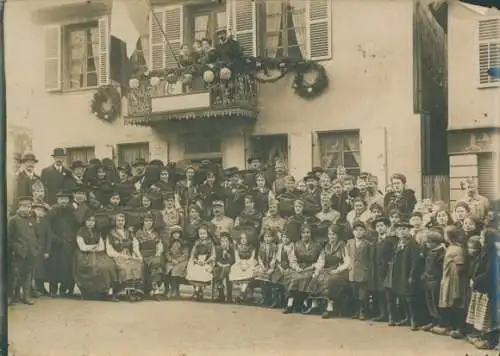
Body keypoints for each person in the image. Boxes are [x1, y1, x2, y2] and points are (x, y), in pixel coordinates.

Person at [432, 226, 468, 338]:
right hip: (447, 278)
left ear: (449, 236)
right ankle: (449, 326)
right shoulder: (450, 247)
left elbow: (460, 265)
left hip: (454, 280)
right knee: (448, 302)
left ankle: (459, 328)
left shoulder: (457, 249)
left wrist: (452, 274)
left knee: (455, 302)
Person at [74, 211, 118, 301]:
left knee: (109, 265)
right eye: (89, 221)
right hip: (84, 256)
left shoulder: (97, 232)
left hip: (98, 254)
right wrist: (93, 246)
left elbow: (101, 246)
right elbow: (82, 247)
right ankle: (91, 292)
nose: (91, 223)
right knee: (94, 267)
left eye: (93, 221)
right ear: (85, 221)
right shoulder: (81, 231)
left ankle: (107, 291)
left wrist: (94, 248)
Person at [466, 229, 499, 349]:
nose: (480, 239)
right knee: (484, 315)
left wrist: (475, 280)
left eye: (482, 237)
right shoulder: (485, 251)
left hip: (489, 289)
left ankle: (491, 342)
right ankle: (484, 336)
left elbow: (489, 272)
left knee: (490, 316)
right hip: (482, 288)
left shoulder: (493, 253)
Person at [307, 224, 348, 318]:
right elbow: (321, 260)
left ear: (337, 235)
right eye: (330, 234)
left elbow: (347, 262)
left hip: (340, 270)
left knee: (330, 281)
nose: (331, 237)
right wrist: (317, 270)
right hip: (328, 269)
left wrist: (338, 270)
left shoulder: (342, 245)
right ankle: (315, 305)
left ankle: (330, 307)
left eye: (333, 234)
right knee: (315, 277)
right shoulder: (326, 245)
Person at [283, 224, 322, 314]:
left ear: (311, 233)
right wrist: (297, 267)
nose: (306, 234)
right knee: (293, 278)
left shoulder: (317, 245)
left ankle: (302, 303)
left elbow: (320, 260)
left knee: (304, 278)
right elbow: (292, 259)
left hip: (311, 268)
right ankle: (290, 304)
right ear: (301, 234)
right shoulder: (297, 245)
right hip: (299, 268)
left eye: (308, 232)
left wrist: (313, 267)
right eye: (303, 232)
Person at [106, 211, 145, 302]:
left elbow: (135, 245)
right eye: (118, 220)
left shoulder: (129, 233)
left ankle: (136, 292)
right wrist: (122, 256)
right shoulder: (111, 234)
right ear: (115, 222)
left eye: (122, 220)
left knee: (138, 265)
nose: (121, 222)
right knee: (125, 267)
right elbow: (110, 250)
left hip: (130, 255)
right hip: (118, 257)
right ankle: (126, 293)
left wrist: (139, 256)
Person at [8, 196, 39, 305]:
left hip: (30, 253)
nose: (26, 209)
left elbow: (36, 236)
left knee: (28, 274)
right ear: (19, 207)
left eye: (29, 206)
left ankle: (26, 296)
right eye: (24, 206)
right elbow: (9, 238)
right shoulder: (13, 220)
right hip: (18, 253)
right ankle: (11, 297)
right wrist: (16, 248)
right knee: (14, 275)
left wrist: (36, 248)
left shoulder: (33, 220)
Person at [47, 190, 78, 298]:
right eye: (61, 199)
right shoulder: (52, 211)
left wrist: (73, 239)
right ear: (57, 200)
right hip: (56, 245)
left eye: (66, 199)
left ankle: (64, 289)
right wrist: (56, 239)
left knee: (67, 268)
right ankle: (53, 290)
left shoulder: (72, 211)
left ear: (69, 200)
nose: (63, 201)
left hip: (69, 244)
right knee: (54, 267)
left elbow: (76, 226)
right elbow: (47, 229)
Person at [391, 219, 421, 330]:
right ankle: (407, 317)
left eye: (404, 229)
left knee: (410, 297)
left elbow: (415, 261)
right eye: (399, 229)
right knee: (402, 296)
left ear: (409, 230)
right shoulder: (399, 243)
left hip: (408, 273)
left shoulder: (413, 243)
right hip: (400, 273)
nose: (402, 232)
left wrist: (412, 275)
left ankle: (414, 319)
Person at [370, 216, 398, 323]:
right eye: (377, 226)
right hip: (377, 269)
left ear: (386, 227)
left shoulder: (391, 240)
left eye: (382, 225)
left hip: (388, 269)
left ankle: (391, 316)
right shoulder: (374, 241)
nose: (380, 228)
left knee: (388, 293)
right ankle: (382, 314)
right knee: (379, 292)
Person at [343, 221, 373, 320]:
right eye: (356, 230)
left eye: (361, 230)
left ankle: (362, 311)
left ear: (364, 232)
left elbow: (371, 258)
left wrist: (368, 268)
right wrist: (348, 265)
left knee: (363, 293)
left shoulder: (368, 243)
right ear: (353, 232)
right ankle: (356, 311)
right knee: (354, 292)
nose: (358, 232)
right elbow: (346, 256)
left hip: (363, 271)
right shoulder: (349, 242)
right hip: (352, 271)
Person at [135, 213, 164, 300]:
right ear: (143, 222)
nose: (148, 223)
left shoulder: (155, 233)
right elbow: (135, 247)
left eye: (150, 221)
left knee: (156, 264)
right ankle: (140, 291)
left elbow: (159, 244)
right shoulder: (139, 233)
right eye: (146, 221)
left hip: (153, 255)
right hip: (142, 254)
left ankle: (156, 289)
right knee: (140, 266)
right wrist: (139, 256)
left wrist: (158, 252)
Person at [186, 224, 216, 301]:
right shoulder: (197, 242)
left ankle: (198, 291)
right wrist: (197, 261)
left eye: (204, 233)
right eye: (200, 234)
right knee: (195, 270)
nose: (202, 235)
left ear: (207, 233)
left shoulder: (210, 243)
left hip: (207, 261)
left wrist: (206, 261)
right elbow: (193, 254)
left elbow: (213, 255)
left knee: (204, 271)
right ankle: (197, 291)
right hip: (198, 261)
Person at [253, 227, 279, 306]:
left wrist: (272, 266)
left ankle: (270, 298)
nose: (267, 239)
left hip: (272, 266)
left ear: (273, 238)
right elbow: (259, 257)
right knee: (261, 276)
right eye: (266, 237)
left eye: (269, 237)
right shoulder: (262, 246)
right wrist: (262, 266)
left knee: (269, 276)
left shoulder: (274, 246)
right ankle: (265, 297)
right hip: (263, 265)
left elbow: (275, 257)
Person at [32, 202, 53, 297]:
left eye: (42, 210)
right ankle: (31, 289)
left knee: (41, 270)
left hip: (41, 250)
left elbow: (48, 237)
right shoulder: (30, 220)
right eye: (37, 210)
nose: (39, 212)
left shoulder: (46, 222)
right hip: (31, 249)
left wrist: (47, 251)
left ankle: (41, 287)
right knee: (32, 270)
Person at [230, 233, 258, 303]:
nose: (243, 240)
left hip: (249, 263)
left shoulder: (251, 247)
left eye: (245, 238)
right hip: (240, 263)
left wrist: (247, 265)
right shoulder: (237, 246)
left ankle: (242, 294)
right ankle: (243, 294)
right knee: (235, 270)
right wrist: (241, 265)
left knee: (249, 272)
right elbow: (237, 258)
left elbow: (252, 258)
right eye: (242, 238)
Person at [164, 225, 189, 299]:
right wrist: (171, 259)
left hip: (181, 261)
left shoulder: (184, 242)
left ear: (180, 234)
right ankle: (168, 289)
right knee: (167, 269)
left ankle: (175, 290)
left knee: (175, 270)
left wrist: (178, 260)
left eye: (177, 233)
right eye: (174, 233)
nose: (176, 235)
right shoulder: (169, 242)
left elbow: (185, 254)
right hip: (172, 260)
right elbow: (167, 252)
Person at [213, 232, 235, 302]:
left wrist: (227, 256)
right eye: (222, 241)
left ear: (229, 242)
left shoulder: (232, 249)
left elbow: (233, 260)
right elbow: (216, 260)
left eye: (226, 241)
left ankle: (229, 296)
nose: (224, 243)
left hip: (229, 266)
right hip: (220, 265)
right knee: (216, 270)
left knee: (226, 271)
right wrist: (220, 264)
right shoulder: (218, 248)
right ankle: (221, 294)